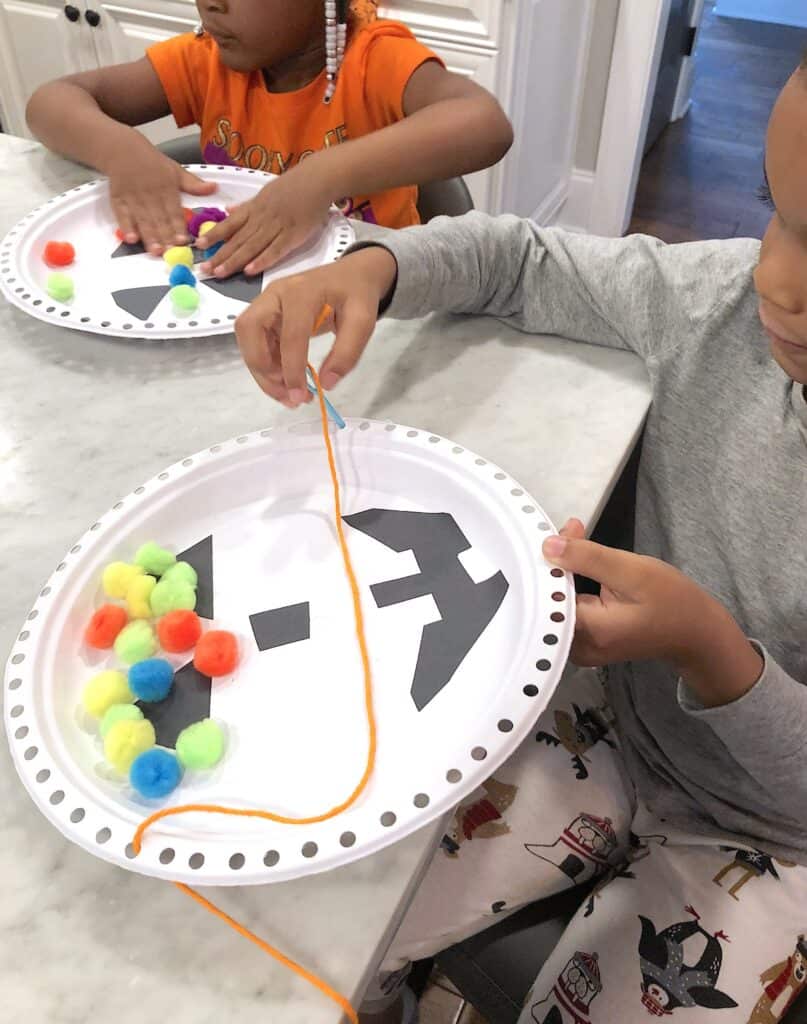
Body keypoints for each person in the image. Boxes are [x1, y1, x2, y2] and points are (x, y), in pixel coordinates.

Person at [233, 55, 807, 1024]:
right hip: (609, 727)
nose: (776, 277)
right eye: (780, 213)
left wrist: (708, 649)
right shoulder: (715, 305)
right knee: (326, 942)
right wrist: (375, 266)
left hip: (770, 834)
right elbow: (526, 260)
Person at [25, 0, 512, 278]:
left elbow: (485, 123)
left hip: (363, 297)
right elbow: (51, 102)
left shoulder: (374, 63)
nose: (211, 3)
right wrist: (123, 151)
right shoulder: (205, 59)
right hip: (240, 297)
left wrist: (318, 177)